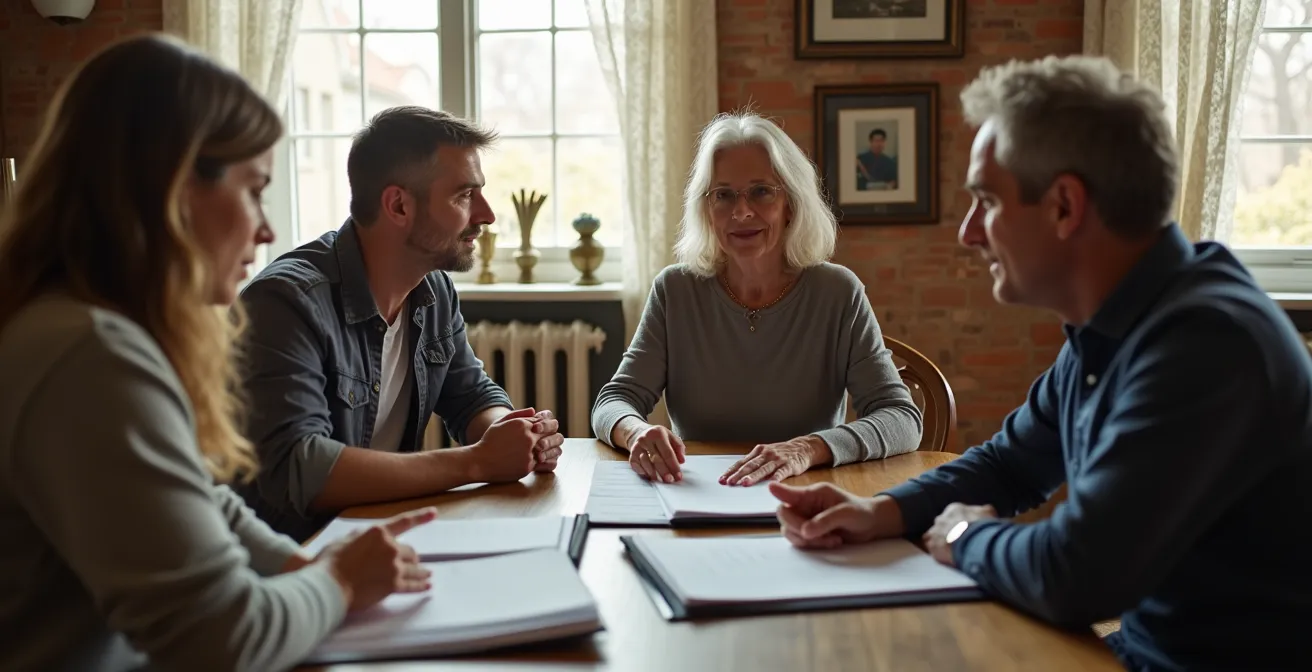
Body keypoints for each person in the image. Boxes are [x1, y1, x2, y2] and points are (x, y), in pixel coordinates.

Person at [771, 55, 1312, 671]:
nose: (970, 233)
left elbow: (1078, 574)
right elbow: (1008, 466)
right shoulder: (1117, 322)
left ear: (1064, 206)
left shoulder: (1207, 345)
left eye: (987, 202)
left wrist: (963, 536)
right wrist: (882, 513)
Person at [0, 34, 439, 671]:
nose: (266, 228)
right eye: (254, 189)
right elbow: (224, 639)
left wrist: (305, 566)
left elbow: (207, 502)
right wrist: (339, 580)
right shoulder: (90, 356)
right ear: (173, 189)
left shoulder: (82, 328)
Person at [234, 106, 565, 542]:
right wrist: (478, 462)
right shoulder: (285, 302)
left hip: (378, 539)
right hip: (293, 561)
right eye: (464, 196)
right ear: (398, 205)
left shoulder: (434, 289)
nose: (486, 215)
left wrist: (514, 433)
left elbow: (470, 395)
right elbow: (302, 467)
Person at [591, 112, 923, 487]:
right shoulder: (675, 291)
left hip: (805, 495)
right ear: (706, 209)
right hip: (701, 496)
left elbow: (901, 418)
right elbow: (614, 400)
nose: (741, 211)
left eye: (762, 191)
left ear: (791, 205)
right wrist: (636, 432)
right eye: (724, 195)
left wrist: (807, 448)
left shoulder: (838, 293)